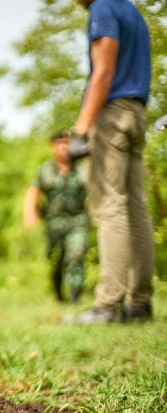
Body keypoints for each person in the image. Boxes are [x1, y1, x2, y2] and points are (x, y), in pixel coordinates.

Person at [69, 0, 154, 323]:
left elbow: (104, 70)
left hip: (113, 114)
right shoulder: (131, 10)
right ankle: (139, 303)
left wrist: (81, 127)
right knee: (135, 207)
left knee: (109, 206)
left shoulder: (103, 8)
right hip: (136, 112)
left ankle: (108, 304)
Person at [23, 130, 89, 303]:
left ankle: (75, 295)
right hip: (54, 223)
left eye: (66, 143)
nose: (63, 147)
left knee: (77, 253)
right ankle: (58, 293)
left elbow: (94, 189)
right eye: (58, 144)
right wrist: (30, 214)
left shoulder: (82, 167)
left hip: (77, 220)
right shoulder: (46, 169)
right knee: (56, 259)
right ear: (52, 147)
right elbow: (33, 192)